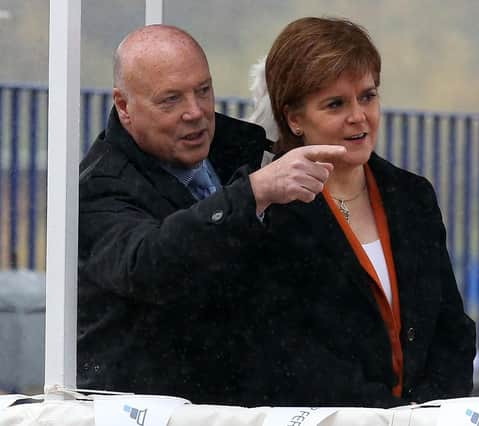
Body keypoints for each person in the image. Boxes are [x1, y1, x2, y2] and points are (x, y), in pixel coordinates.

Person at [76, 24, 345, 403]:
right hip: (156, 408)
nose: (196, 113)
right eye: (170, 100)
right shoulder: (97, 187)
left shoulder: (245, 148)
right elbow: (149, 263)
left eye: (204, 90)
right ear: (124, 106)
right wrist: (252, 194)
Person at [239, 17, 476, 407]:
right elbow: (288, 353)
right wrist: (390, 417)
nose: (358, 116)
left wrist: (429, 411)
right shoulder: (268, 208)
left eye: (367, 96)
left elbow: (452, 330)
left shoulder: (413, 195)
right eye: (336, 104)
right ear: (294, 118)